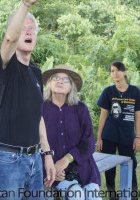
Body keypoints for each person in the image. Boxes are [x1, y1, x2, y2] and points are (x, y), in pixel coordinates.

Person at [0, 0, 55, 198]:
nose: (28, 31)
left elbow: (38, 117)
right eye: (23, 28)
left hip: (33, 159)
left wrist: (48, 154)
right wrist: (25, 3)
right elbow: (9, 40)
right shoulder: (5, 65)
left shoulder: (35, 72)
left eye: (32, 29)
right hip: (6, 160)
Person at [42, 64, 101, 200]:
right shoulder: (40, 109)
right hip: (52, 168)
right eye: (56, 77)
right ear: (50, 83)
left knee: (94, 197)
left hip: (83, 167)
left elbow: (88, 142)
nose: (60, 81)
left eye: (65, 79)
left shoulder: (80, 109)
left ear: (71, 87)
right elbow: (34, 143)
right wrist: (51, 169)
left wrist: (67, 159)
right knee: (76, 195)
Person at [96, 60, 140, 200]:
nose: (115, 73)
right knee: (109, 169)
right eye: (112, 71)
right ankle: (113, 196)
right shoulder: (108, 91)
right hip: (109, 135)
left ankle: (132, 195)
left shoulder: (135, 91)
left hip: (127, 136)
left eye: (118, 70)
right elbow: (103, 115)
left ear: (125, 72)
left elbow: (137, 115)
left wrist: (137, 137)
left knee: (131, 165)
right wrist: (99, 138)